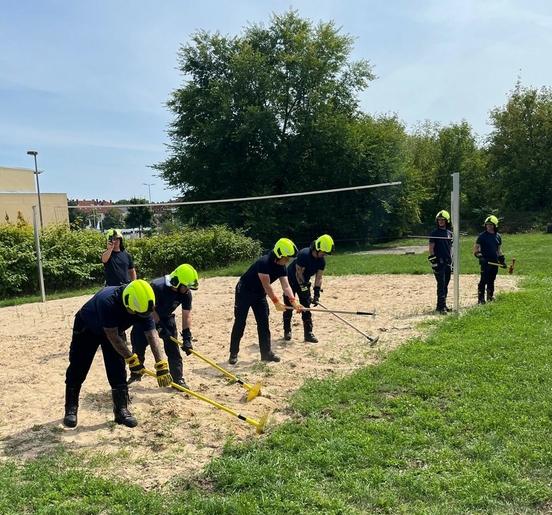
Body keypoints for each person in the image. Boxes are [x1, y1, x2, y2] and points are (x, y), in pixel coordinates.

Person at [63, 279, 173, 429]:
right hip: (88, 327)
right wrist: (132, 359)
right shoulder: (108, 302)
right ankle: (71, 408)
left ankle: (121, 410)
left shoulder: (143, 304)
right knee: (78, 366)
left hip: (115, 330)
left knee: (117, 369)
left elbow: (151, 333)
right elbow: (112, 335)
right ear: (128, 303)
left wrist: (161, 364)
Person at [228, 238, 303, 365]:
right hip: (244, 292)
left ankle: (266, 353)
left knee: (263, 323)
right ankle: (233, 353)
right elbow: (267, 285)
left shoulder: (282, 267)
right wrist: (276, 302)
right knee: (240, 322)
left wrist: (293, 301)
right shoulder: (264, 263)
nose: (288, 260)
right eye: (287, 257)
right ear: (279, 254)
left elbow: (286, 286)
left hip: (259, 295)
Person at [128, 264, 198, 389]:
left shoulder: (186, 293)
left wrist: (187, 337)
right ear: (176, 282)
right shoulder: (157, 287)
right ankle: (135, 375)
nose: (187, 289)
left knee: (173, 350)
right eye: (186, 286)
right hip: (145, 318)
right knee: (138, 347)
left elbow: (186, 315)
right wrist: (159, 326)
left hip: (166, 318)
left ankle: (178, 379)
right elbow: (150, 309)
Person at [283, 234, 334, 342]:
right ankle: (287, 331)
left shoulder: (321, 261)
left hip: (304, 282)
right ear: (317, 248)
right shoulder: (304, 254)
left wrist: (316, 293)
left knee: (306, 307)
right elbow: (298, 274)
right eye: (323, 252)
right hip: (290, 282)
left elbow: (319, 277)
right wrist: (305, 290)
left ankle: (308, 333)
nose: (324, 255)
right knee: (288, 307)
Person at [473, 215, 505, 304]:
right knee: (484, 280)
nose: (489, 226)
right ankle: (480, 299)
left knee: (492, 279)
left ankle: (490, 297)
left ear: (495, 225)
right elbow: (475, 249)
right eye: (487, 225)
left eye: (491, 225)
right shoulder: (482, 236)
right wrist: (480, 257)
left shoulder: (498, 236)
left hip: (494, 262)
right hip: (485, 262)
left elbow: (498, 250)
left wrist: (502, 260)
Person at [428, 210, 453, 314]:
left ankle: (443, 305)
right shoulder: (434, 233)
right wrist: (433, 260)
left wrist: (452, 261)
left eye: (443, 220)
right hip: (439, 261)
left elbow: (451, 247)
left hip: (447, 262)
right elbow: (431, 247)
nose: (441, 221)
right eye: (439, 220)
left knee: (445, 284)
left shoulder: (449, 233)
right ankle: (440, 307)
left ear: (447, 221)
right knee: (441, 284)